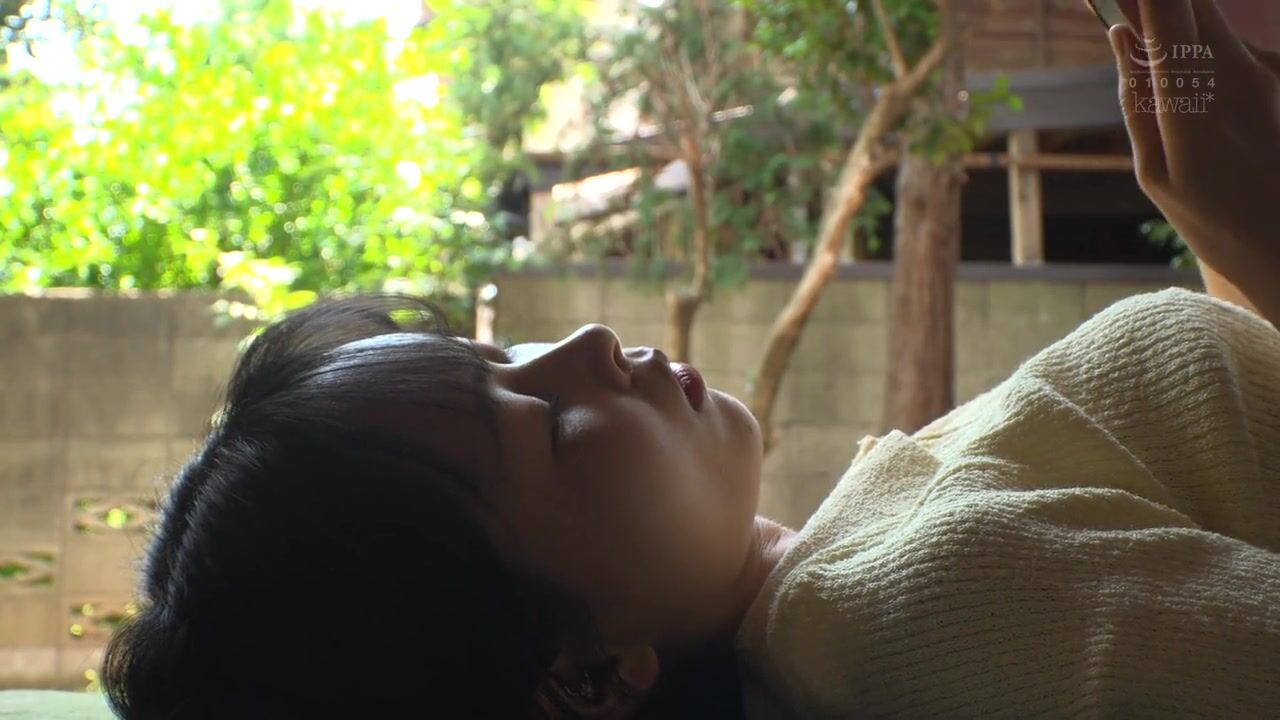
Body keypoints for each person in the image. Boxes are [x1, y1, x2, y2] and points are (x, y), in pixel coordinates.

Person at [101, 0, 1278, 717]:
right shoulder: (914, 614)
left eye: (502, 355)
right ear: (582, 675)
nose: (586, 346)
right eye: (544, 429)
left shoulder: (862, 568)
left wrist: (1210, 213)